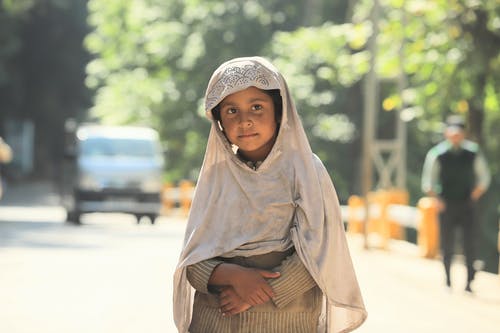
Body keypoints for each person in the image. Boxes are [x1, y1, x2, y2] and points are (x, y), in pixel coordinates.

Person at [173, 56, 367, 333]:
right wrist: (231, 275)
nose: (245, 121)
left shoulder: (306, 171)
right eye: (231, 111)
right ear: (218, 123)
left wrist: (260, 290)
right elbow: (192, 259)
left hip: (287, 319)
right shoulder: (215, 178)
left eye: (256, 107)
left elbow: (321, 250)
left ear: (279, 111)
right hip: (217, 319)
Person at [421, 115, 491, 293]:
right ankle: (448, 281)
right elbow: (428, 181)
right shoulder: (438, 154)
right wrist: (437, 199)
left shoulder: (473, 152)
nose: (455, 137)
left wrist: (474, 194)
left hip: (467, 203)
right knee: (447, 244)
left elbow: (484, 178)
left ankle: (469, 282)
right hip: (446, 203)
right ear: (446, 134)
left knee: (470, 243)